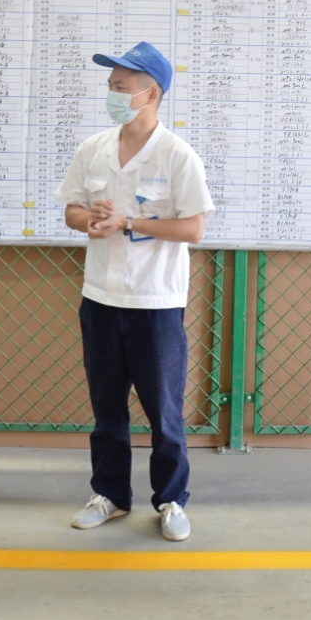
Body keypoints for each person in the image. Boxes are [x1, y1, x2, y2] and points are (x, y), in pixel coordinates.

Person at [57, 41, 214, 543]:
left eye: (121, 87)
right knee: (107, 409)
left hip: (155, 303)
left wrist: (129, 223)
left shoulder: (177, 155)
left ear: (151, 94)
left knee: (165, 413)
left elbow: (193, 229)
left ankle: (171, 500)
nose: (112, 94)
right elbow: (71, 210)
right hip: (100, 298)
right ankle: (109, 495)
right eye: (110, 86)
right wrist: (92, 220)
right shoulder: (94, 149)